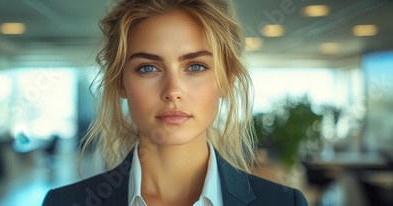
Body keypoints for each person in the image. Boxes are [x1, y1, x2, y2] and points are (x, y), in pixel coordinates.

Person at [43, 0, 308, 205]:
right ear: (120, 82)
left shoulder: (285, 202)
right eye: (148, 68)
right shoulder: (62, 203)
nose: (172, 91)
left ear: (226, 80)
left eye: (195, 66)